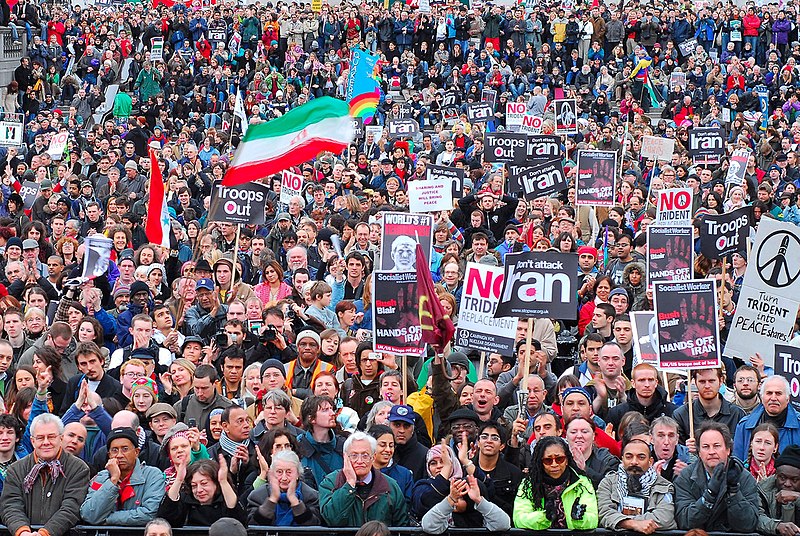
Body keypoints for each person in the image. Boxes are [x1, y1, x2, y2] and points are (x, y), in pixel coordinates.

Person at [0, 414, 90, 536]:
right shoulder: (16, 469)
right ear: (32, 441)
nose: (46, 442)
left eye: (51, 437)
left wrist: (45, 533)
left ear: (61, 438)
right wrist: (22, 531)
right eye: (40, 438)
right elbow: (11, 505)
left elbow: (71, 507)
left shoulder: (78, 468)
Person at [674, 421, 760, 531]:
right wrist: (709, 495)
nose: (711, 452)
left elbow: (748, 524)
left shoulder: (744, 477)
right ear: (699, 452)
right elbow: (685, 521)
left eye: (717, 446)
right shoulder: (685, 477)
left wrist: (734, 493)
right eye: (705, 447)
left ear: (728, 450)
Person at [319, 431, 409, 526]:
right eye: (354, 455)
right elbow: (331, 519)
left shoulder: (390, 486)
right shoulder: (331, 482)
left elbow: (402, 526)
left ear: (373, 457)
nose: (360, 461)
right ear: (345, 457)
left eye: (365, 455)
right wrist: (349, 485)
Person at [80, 427, 166, 525]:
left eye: (125, 449)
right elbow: (88, 515)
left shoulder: (153, 475)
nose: (119, 455)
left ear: (136, 452)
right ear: (109, 455)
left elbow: (150, 513)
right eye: (114, 450)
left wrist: (106, 519)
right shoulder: (101, 477)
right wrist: (113, 480)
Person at [512, 435, 598, 530]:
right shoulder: (528, 484)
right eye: (548, 460)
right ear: (540, 462)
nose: (554, 464)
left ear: (567, 460)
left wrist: (579, 519)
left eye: (559, 459)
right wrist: (544, 517)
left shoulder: (582, 482)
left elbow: (593, 519)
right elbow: (519, 519)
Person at [597, 438, 677, 532]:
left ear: (650, 461)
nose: (634, 461)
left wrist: (620, 520)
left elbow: (665, 518)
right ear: (622, 459)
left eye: (641, 457)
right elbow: (603, 513)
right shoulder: (608, 482)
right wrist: (633, 524)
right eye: (629, 457)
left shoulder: (664, 485)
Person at [156, 456, 248, 527]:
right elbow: (164, 519)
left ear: (216, 483)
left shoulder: (226, 500)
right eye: (194, 486)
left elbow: (239, 521)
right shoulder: (185, 499)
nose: (199, 490)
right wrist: (179, 480)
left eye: (204, 483)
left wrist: (223, 482)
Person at [246, 450, 321, 526]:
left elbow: (313, 525)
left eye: (289, 472)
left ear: (298, 474)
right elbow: (253, 526)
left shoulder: (311, 496)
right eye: (279, 472)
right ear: (272, 474)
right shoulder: (258, 495)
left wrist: (295, 502)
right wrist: (272, 500)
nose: (284, 478)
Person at [734, 376, 800, 461]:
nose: (773, 398)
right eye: (769, 393)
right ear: (761, 397)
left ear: (788, 398)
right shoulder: (744, 426)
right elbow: (737, 464)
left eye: (778, 393)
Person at [757, 444, 800, 536]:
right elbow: (756, 517)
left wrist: (797, 498)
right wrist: (777, 526)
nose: (787, 484)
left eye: (795, 480)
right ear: (776, 474)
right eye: (782, 477)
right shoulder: (763, 489)